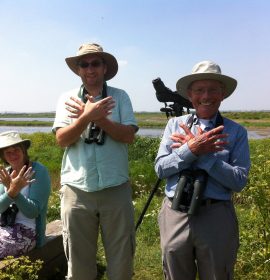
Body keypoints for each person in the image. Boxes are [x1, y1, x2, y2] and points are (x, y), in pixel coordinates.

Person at [155, 60, 251, 280]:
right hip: (175, 211)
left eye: (212, 90)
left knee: (218, 274)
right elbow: (160, 169)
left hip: (216, 215)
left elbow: (239, 181)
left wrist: (205, 156)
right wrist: (190, 149)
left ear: (223, 94)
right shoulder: (174, 125)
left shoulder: (236, 132)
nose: (206, 96)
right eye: (199, 90)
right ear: (190, 94)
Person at [52, 43, 138, 280]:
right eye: (84, 64)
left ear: (104, 67)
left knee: (121, 260)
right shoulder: (66, 98)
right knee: (79, 262)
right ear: (78, 69)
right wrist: (85, 118)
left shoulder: (120, 97)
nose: (90, 69)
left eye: (95, 63)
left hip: (116, 187)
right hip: (76, 189)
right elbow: (62, 139)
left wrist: (100, 120)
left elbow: (128, 136)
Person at [0, 131, 51, 259]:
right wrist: (11, 190)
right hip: (4, 228)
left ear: (23, 150)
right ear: (3, 156)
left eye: (16, 149)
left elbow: (33, 212)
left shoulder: (38, 171)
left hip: (27, 233)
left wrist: (13, 191)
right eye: (8, 152)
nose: (13, 155)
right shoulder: (5, 173)